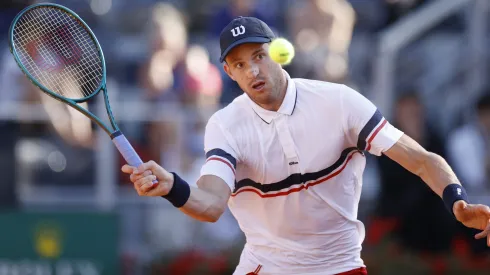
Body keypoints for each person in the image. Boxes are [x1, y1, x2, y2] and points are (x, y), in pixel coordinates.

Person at [122, 17, 490, 275]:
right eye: (239, 64)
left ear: (276, 54)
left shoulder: (339, 102)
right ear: (229, 73)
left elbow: (422, 160)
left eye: (258, 57)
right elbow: (211, 204)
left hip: (339, 266)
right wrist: (172, 186)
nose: (252, 71)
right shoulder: (225, 125)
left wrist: (456, 200)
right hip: (264, 267)